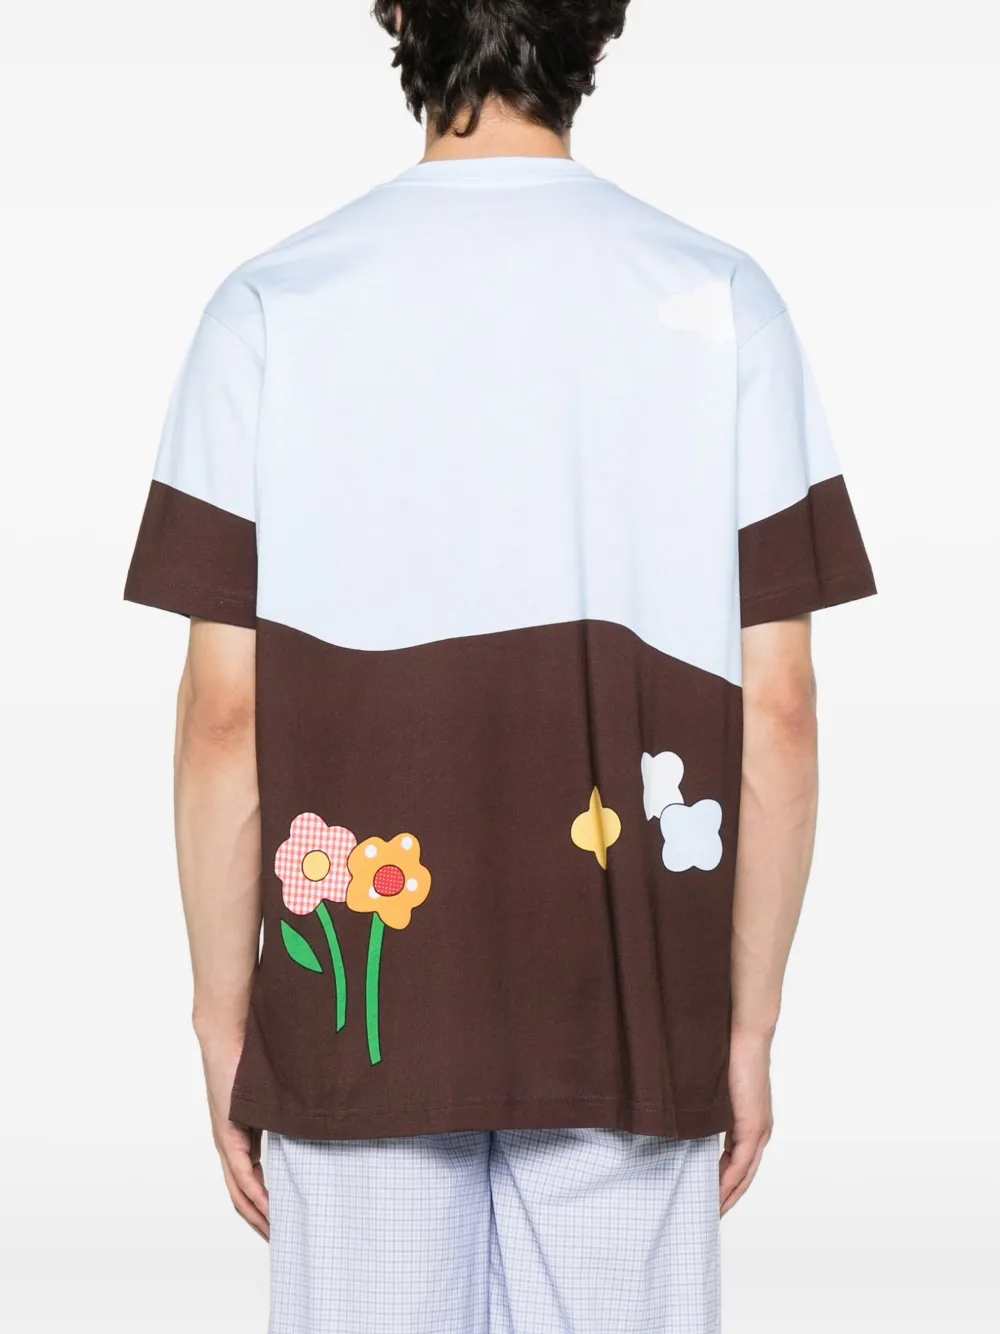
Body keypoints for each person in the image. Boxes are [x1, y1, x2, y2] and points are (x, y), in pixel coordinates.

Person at [124, 3, 876, 1330]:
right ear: (599, 22)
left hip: (356, 1027)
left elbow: (223, 716)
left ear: (399, 14)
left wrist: (221, 1015)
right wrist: (747, 1026)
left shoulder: (270, 307)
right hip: (629, 1010)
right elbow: (781, 711)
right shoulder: (721, 301)